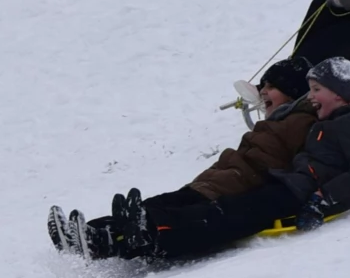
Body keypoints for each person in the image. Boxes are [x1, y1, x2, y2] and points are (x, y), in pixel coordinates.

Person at [112, 57, 350, 261]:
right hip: (289, 186)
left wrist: (320, 198)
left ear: (339, 93)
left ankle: (154, 234)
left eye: (316, 90)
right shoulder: (330, 122)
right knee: (225, 210)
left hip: (299, 194)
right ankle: (120, 231)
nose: (311, 97)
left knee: (226, 216)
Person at [50, 57, 318, 257]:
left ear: (292, 91)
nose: (262, 93)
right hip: (215, 183)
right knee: (153, 205)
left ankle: (103, 242)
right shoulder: (277, 122)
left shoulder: (300, 122)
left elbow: (299, 162)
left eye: (271, 87)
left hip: (234, 190)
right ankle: (84, 233)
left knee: (158, 216)